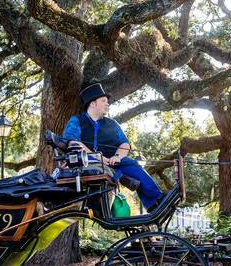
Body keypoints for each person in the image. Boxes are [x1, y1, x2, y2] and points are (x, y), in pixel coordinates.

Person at [62, 83, 162, 211]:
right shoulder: (76, 121)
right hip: (86, 162)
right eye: (103, 100)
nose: (107, 104)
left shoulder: (112, 124)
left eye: (107, 101)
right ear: (92, 103)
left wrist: (117, 156)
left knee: (130, 163)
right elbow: (73, 143)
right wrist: (102, 159)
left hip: (112, 162)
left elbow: (125, 144)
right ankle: (121, 176)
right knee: (105, 167)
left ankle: (155, 203)